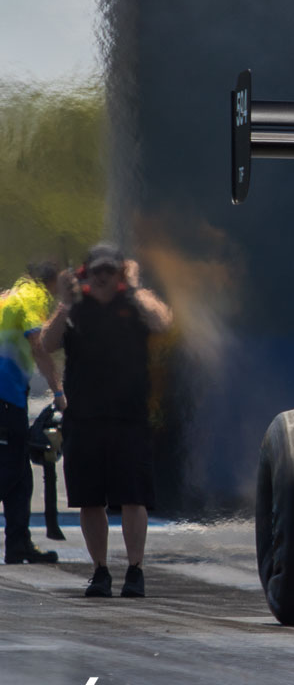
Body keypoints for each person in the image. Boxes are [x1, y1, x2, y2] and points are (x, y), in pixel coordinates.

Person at [41, 243, 173, 597]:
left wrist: (135, 287)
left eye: (109, 271)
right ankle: (100, 570)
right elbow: (47, 343)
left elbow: (163, 321)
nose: (102, 277)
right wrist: (65, 302)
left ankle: (135, 570)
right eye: (96, 270)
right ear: (86, 272)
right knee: (89, 500)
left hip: (129, 418)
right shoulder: (75, 308)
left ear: (120, 273)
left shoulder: (134, 304)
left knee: (133, 498)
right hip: (84, 419)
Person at [0, 262, 64, 565]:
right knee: (10, 470)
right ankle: (18, 542)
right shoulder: (32, 297)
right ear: (48, 282)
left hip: (10, 395)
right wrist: (59, 392)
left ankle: (18, 543)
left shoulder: (8, 297)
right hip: (5, 397)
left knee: (21, 475)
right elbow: (38, 345)